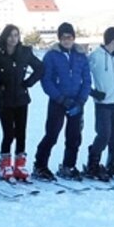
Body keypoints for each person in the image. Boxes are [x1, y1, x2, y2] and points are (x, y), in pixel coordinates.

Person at [0, 23, 44, 182]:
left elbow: (40, 68)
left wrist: (28, 82)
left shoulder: (25, 52)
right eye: (10, 35)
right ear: (5, 36)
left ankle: (20, 164)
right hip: (5, 99)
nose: (13, 38)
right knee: (8, 133)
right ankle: (5, 165)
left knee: (21, 132)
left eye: (16, 35)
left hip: (21, 98)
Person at [34, 22, 90, 181]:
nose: (67, 40)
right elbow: (47, 80)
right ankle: (40, 165)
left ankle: (68, 165)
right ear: (59, 38)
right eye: (64, 37)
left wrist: (81, 101)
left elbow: (86, 79)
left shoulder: (80, 55)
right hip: (58, 101)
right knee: (51, 135)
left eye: (70, 37)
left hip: (76, 102)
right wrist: (60, 98)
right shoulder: (51, 56)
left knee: (74, 136)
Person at [85, 26, 114, 182]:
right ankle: (93, 164)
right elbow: (82, 75)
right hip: (103, 103)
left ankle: (113, 164)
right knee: (104, 134)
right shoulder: (95, 56)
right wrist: (92, 92)